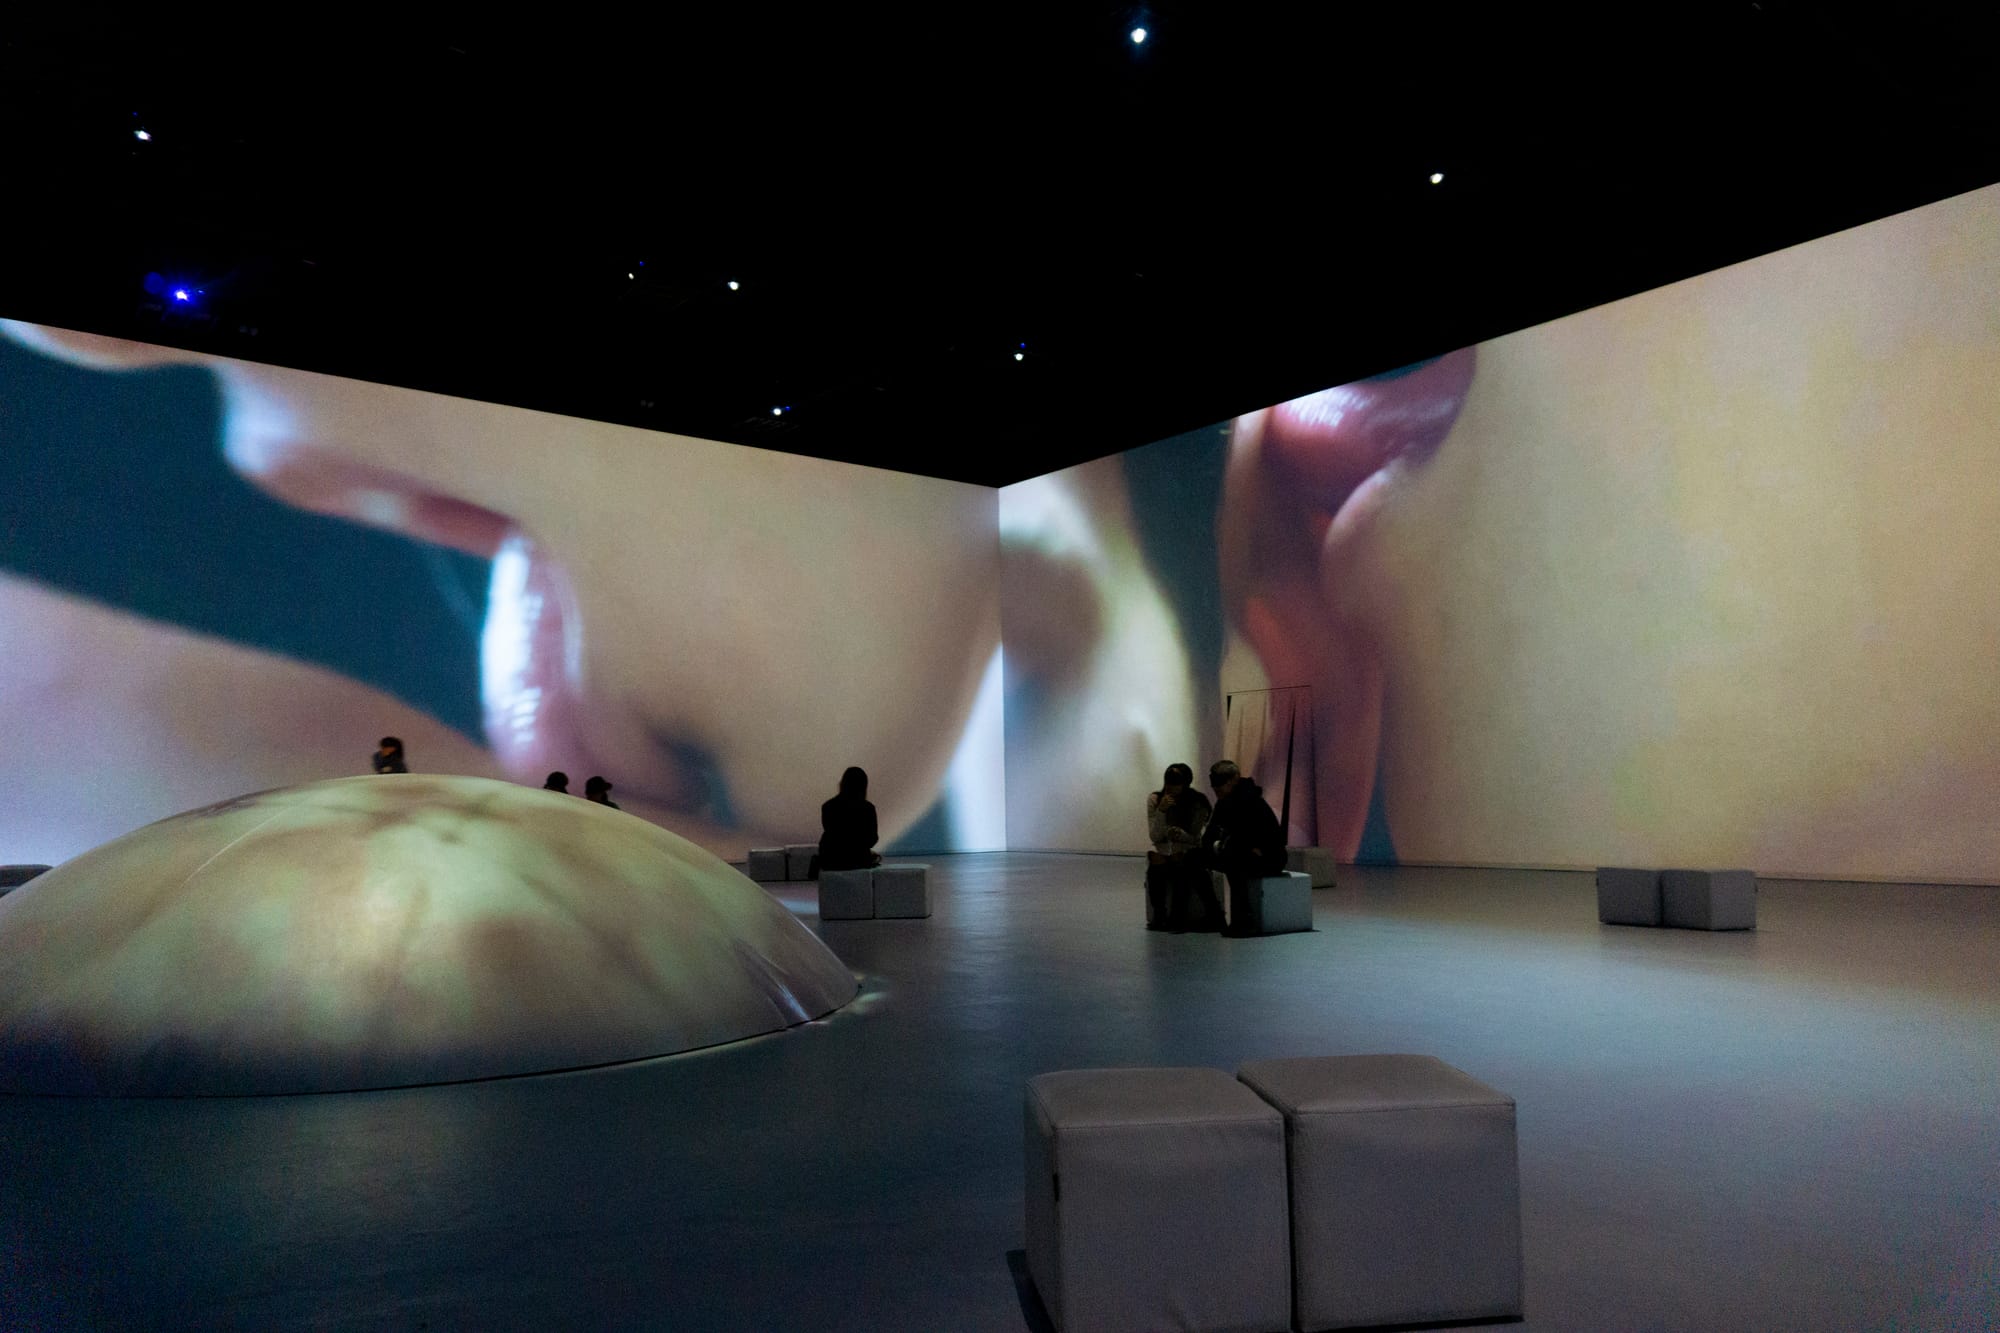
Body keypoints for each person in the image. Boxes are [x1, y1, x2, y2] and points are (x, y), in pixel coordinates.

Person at [1200, 760, 1287, 934]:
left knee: (1235, 861)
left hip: (1270, 857)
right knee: (1195, 858)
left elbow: (1263, 838)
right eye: (1215, 785)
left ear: (1234, 780)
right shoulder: (1224, 802)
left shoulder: (1250, 801)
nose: (1217, 789)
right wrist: (1217, 846)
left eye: (1221, 783)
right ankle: (1215, 915)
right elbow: (1210, 836)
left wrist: (1229, 845)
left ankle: (1244, 920)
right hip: (1244, 853)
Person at [1145, 762, 1220, 931]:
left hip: (1187, 851)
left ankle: (1177, 917)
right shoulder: (1155, 799)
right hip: (1165, 850)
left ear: (1185, 784)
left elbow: (1197, 838)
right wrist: (1161, 811)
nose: (1170, 787)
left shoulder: (1198, 802)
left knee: (1184, 864)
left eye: (1175, 783)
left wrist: (1182, 835)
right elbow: (1155, 836)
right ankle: (1160, 915)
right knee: (1157, 863)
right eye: (1168, 781)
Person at [818, 766, 881, 873]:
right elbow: (872, 839)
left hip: (831, 859)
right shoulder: (868, 808)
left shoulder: (828, 806)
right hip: (858, 859)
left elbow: (831, 833)